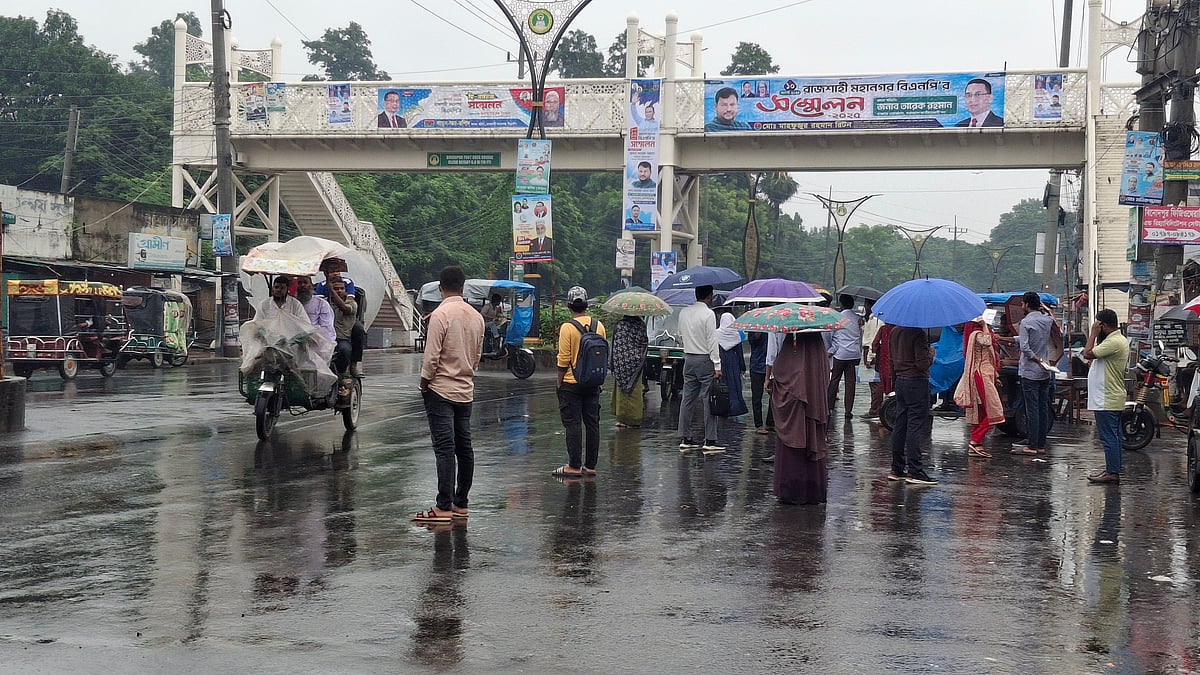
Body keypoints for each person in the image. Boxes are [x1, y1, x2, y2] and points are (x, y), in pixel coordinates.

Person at [413, 266, 484, 523]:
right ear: (463, 288)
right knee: (464, 447)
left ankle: (442, 506)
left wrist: (424, 382)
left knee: (445, 448)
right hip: (465, 391)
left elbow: (431, 357)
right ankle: (461, 503)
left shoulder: (440, 315)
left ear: (440, 288)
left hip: (440, 390)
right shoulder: (476, 317)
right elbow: (476, 358)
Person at [767, 332, 830, 504]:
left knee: (793, 447)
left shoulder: (791, 350)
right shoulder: (818, 348)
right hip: (814, 406)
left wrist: (769, 378)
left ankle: (792, 490)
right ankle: (812, 489)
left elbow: (780, 371)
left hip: (794, 408)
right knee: (812, 440)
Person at [552, 286, 606, 477]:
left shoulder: (567, 327)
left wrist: (559, 381)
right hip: (592, 383)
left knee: (573, 424)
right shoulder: (599, 326)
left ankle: (574, 466)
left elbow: (563, 358)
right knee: (592, 424)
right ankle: (590, 466)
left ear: (569, 305)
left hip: (571, 383)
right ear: (586, 304)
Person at [677, 285, 724, 453]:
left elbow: (680, 335)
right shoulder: (708, 314)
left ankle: (685, 438)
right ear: (710, 296)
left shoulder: (684, 312)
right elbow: (712, 340)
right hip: (705, 359)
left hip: (688, 358)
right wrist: (717, 365)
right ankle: (710, 440)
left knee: (687, 398)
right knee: (708, 399)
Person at [889, 325, 938, 485]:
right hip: (916, 381)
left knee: (900, 424)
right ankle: (915, 470)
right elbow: (922, 364)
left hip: (900, 380)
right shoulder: (918, 333)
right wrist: (931, 353)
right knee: (915, 425)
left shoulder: (895, 331)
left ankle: (897, 468)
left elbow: (891, 359)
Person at [1084, 309, 1129, 484]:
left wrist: (1093, 334)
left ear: (1103, 325)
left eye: (1097, 324)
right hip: (1110, 396)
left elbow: (1087, 352)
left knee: (1109, 436)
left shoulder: (1114, 341)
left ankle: (1112, 472)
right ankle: (1113, 469)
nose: (1096, 326)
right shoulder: (1116, 340)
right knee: (1114, 436)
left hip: (1106, 397)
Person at [954, 317, 1004, 458]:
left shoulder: (977, 332)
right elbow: (987, 342)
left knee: (981, 411)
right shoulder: (977, 334)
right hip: (981, 375)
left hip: (985, 374)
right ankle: (975, 440)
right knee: (994, 411)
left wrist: (995, 376)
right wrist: (983, 325)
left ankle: (977, 444)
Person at [1015, 291, 1053, 456]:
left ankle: (1032, 445)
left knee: (1032, 409)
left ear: (1026, 304)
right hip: (1045, 370)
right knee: (1042, 407)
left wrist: (1035, 358)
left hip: (1030, 370)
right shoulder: (1048, 320)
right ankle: (1040, 443)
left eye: (1022, 303)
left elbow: (1024, 347)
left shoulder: (1025, 322)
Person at [827, 294, 863, 421]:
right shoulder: (858, 319)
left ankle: (829, 407)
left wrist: (831, 351)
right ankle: (848, 411)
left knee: (834, 381)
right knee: (850, 383)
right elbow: (860, 337)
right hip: (854, 355)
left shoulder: (838, 318)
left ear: (841, 304)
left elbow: (833, 337)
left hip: (840, 354)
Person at [610, 314, 648, 428]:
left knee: (621, 391)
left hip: (620, 361)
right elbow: (644, 343)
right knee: (634, 391)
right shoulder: (641, 325)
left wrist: (614, 361)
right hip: (635, 363)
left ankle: (621, 418)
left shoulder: (620, 325)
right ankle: (634, 419)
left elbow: (615, 344)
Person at [716, 310, 749, 419]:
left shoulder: (716, 334)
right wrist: (742, 367)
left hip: (721, 362)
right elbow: (740, 353)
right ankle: (734, 409)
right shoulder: (736, 335)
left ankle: (721, 408)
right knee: (734, 386)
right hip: (733, 362)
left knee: (722, 386)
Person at [747, 328, 775, 434]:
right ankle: (758, 424)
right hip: (757, 366)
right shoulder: (754, 327)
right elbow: (752, 342)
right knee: (757, 397)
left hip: (772, 366)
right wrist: (758, 332)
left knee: (774, 395)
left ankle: (770, 423)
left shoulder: (773, 328)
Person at [328, 279, 358, 377]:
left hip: (343, 339)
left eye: (341, 288)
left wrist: (332, 291)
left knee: (344, 350)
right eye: (336, 289)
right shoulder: (324, 304)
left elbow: (344, 308)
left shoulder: (351, 304)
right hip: (326, 339)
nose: (339, 291)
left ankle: (341, 373)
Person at [861, 299, 884, 419]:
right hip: (871, 351)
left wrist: (870, 357)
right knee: (874, 382)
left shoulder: (875, 320)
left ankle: (875, 409)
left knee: (875, 382)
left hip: (871, 352)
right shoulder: (871, 319)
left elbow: (873, 340)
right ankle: (875, 407)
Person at [295, 276, 335, 343]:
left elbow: (326, 329)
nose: (302, 285)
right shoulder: (293, 303)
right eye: (299, 283)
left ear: (311, 285)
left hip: (317, 341)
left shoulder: (321, 304)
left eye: (305, 282)